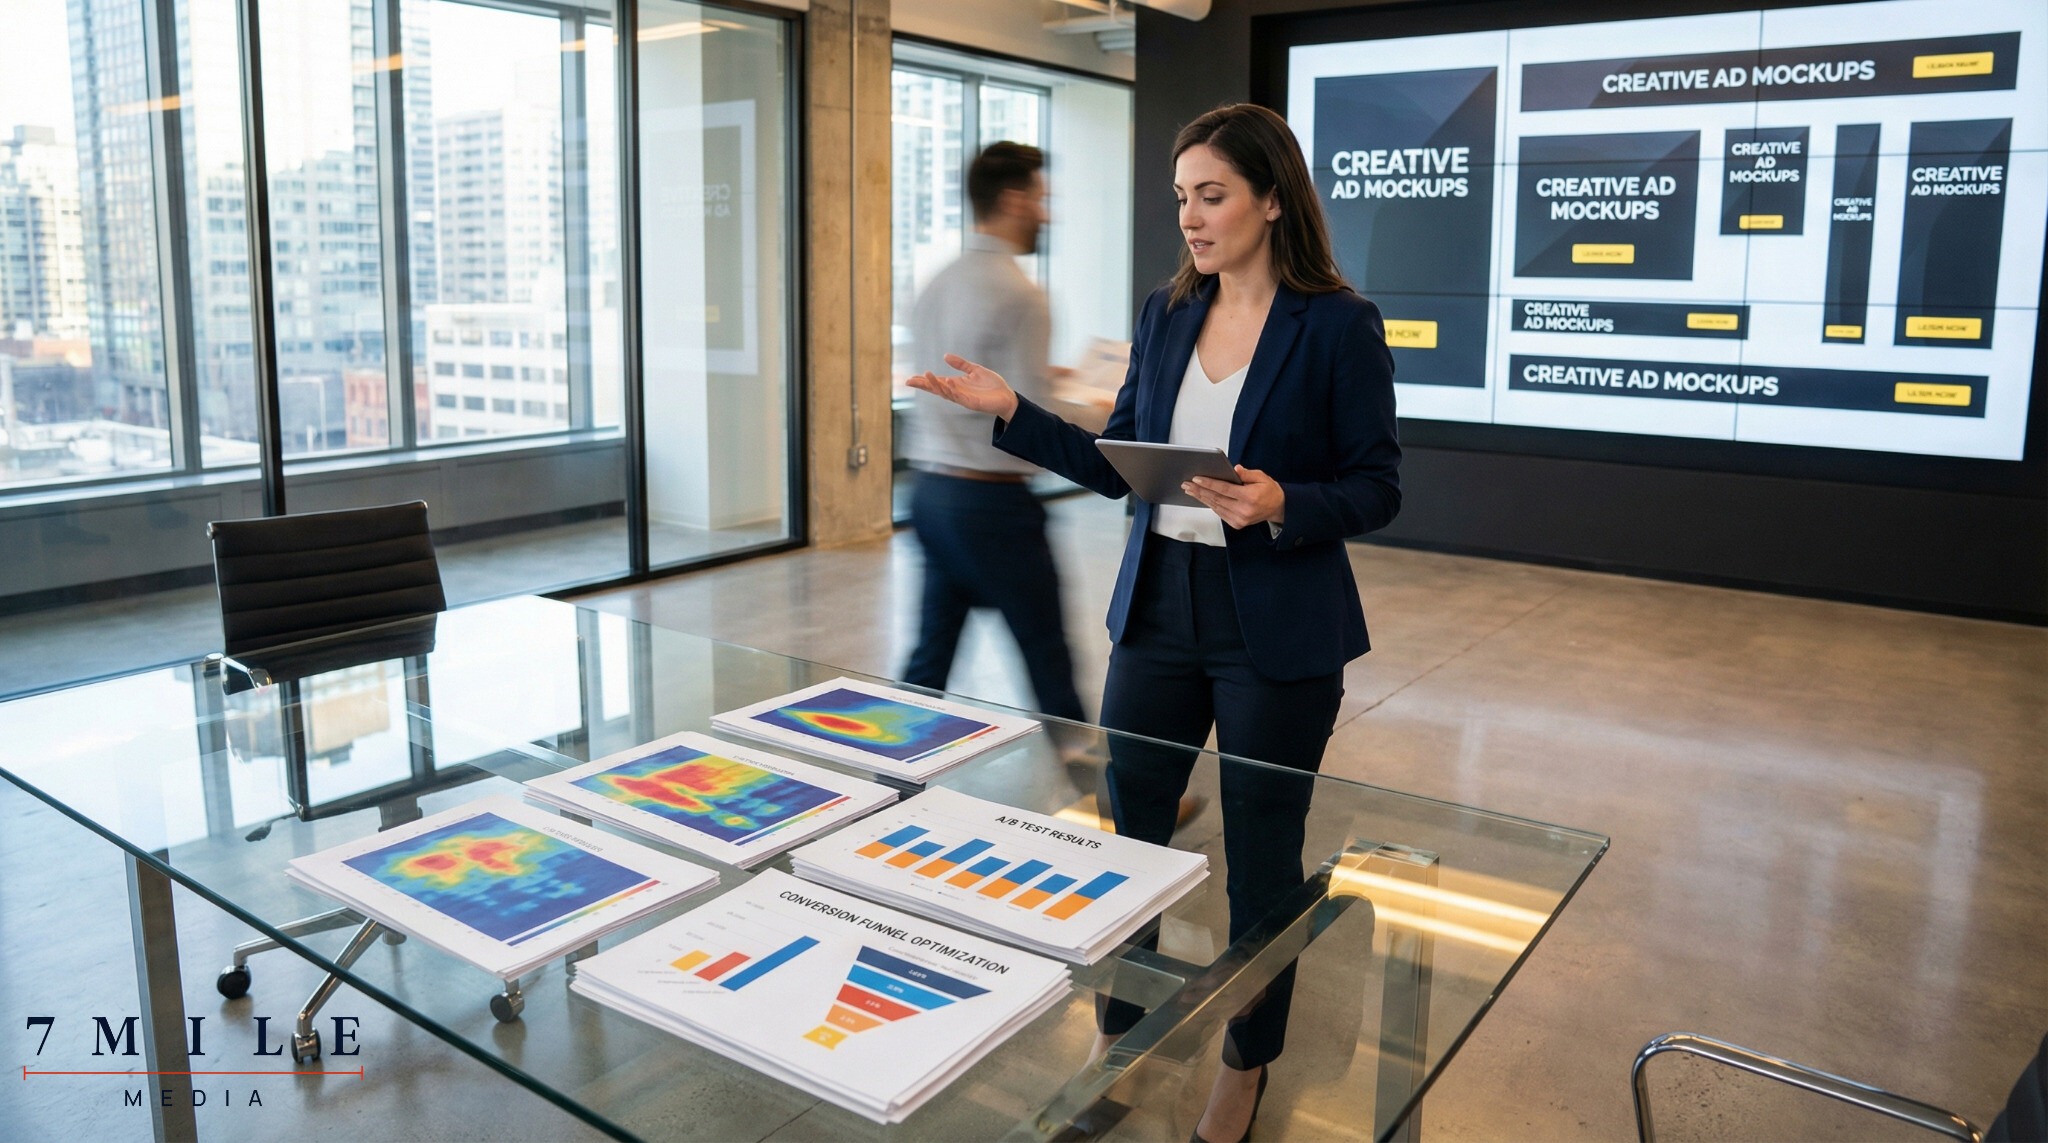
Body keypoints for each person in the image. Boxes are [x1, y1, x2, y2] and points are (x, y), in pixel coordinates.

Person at [909, 103, 1400, 1143]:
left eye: (1211, 195)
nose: (1190, 216)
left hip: (1277, 623)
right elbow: (1115, 463)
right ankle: (1120, 1040)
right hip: (1159, 614)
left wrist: (1284, 504)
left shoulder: (1336, 323)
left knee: (1264, 863)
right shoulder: (1168, 312)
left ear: (1272, 199)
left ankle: (1244, 1067)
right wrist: (1013, 411)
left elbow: (1376, 486)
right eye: (1181, 197)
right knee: (1125, 849)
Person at [898, 141, 1086, 733]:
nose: (1045, 214)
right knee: (1048, 654)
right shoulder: (1022, 293)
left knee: (930, 656)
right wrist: (1104, 407)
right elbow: (1030, 418)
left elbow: (965, 380)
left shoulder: (939, 279)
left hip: (931, 494)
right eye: (1040, 199)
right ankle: (1115, 796)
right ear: (1013, 199)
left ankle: (884, 777)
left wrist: (1041, 382)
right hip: (993, 504)